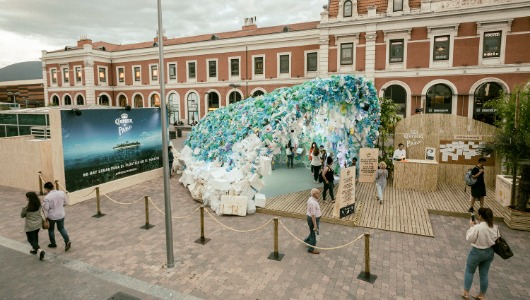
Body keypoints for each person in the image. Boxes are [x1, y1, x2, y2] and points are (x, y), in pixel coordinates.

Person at [461, 208, 498, 300]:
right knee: (484, 274)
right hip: (489, 252)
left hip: (477, 252)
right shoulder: (495, 227)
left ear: (481, 216)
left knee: (469, 271)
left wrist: (471, 227)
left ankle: (466, 293)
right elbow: (496, 238)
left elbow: (470, 238)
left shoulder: (478, 227)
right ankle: (481, 295)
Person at [43, 182, 71, 251]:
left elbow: (46, 208)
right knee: (61, 228)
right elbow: (65, 203)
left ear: (47, 189)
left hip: (51, 216)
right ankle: (67, 241)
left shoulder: (47, 197)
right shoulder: (61, 193)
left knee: (51, 230)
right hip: (61, 214)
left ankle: (53, 243)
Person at [21, 192, 45, 260]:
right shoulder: (38, 204)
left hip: (30, 225)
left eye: (27, 197)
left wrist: (24, 209)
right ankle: (34, 249)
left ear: (29, 198)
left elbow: (22, 215)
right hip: (38, 224)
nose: (26, 198)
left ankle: (39, 250)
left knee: (30, 239)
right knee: (35, 236)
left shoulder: (27, 208)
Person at [303, 188, 321, 254]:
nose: (319, 194)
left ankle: (307, 241)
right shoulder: (313, 203)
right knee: (314, 234)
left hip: (312, 218)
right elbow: (313, 215)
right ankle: (311, 249)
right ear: (314, 194)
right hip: (313, 219)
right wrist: (315, 225)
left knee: (311, 231)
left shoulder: (311, 198)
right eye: (318, 193)